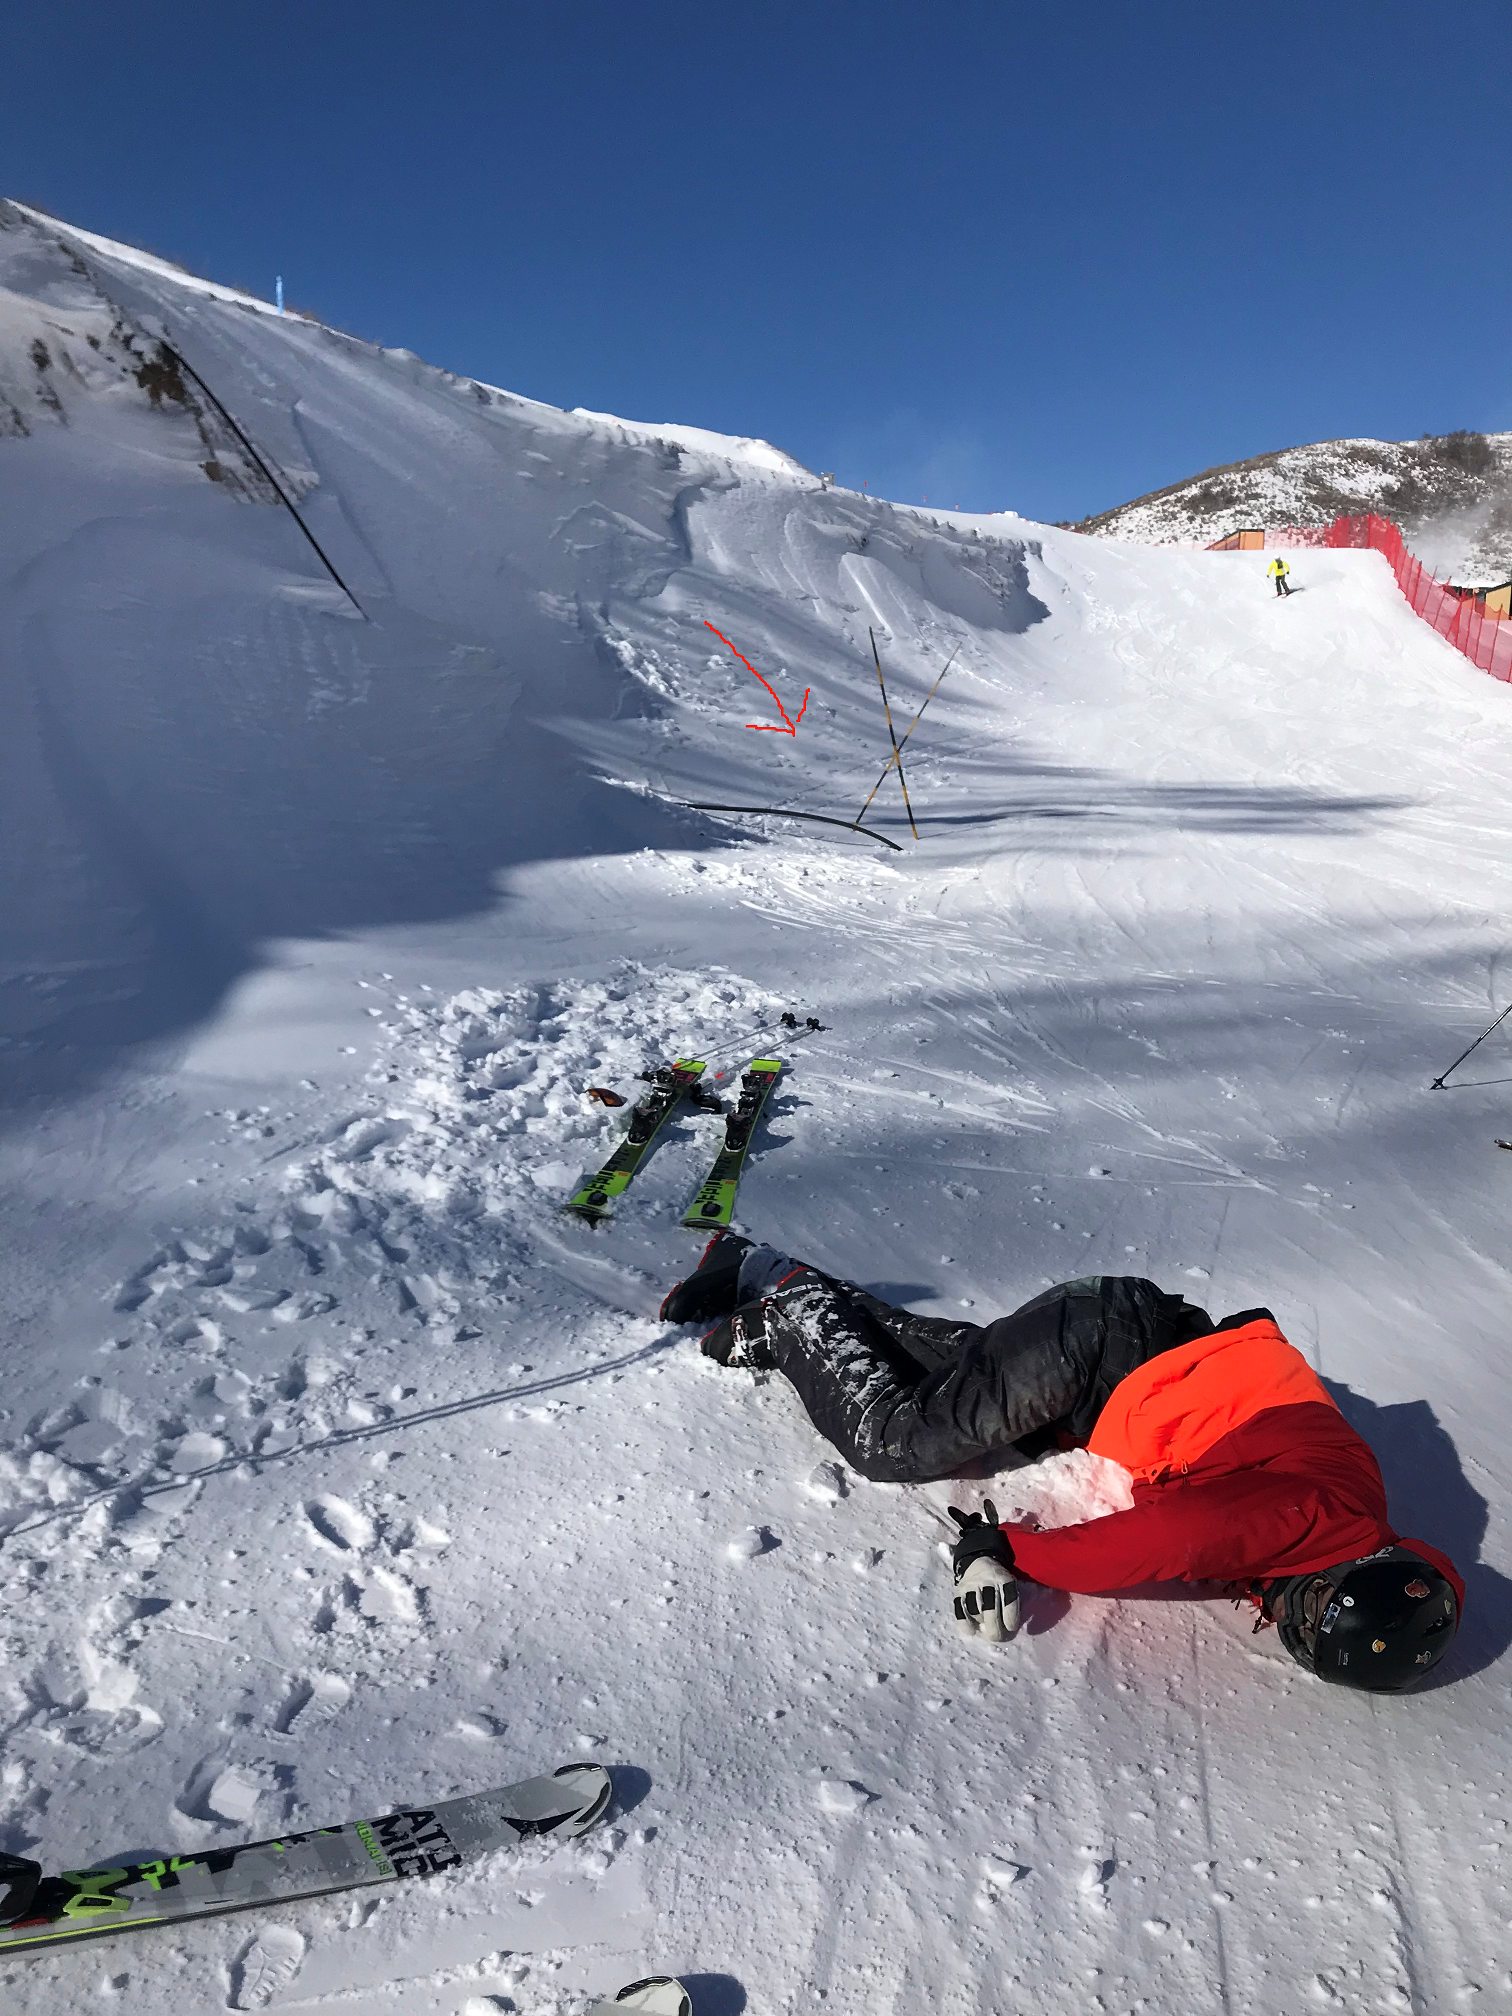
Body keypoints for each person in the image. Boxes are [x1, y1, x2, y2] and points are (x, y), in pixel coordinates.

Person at [660, 1236, 1463, 1692]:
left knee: (945, 1383)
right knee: (894, 1441)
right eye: (1308, 1611)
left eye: (1297, 1634)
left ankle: (762, 1286)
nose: (1283, 1616)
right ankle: (791, 1298)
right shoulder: (1308, 1520)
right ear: (1347, 1577)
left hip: (1126, 1362)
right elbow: (1170, 1541)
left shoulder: (1347, 1520)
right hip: (1106, 1352)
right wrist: (1010, 1551)